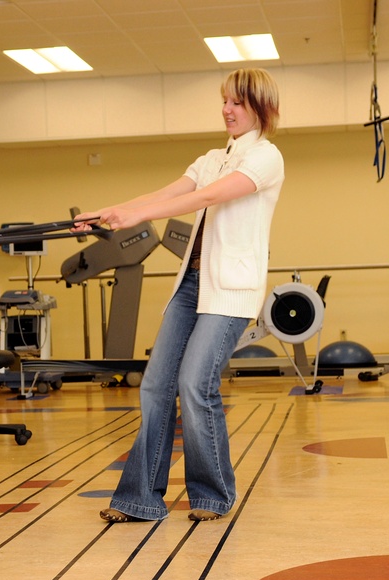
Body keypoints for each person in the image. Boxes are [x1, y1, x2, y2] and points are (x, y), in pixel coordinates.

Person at [75, 68, 284, 523]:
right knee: (154, 387)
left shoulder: (267, 158)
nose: (226, 109)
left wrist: (136, 216)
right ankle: (139, 498)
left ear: (260, 107)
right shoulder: (211, 157)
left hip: (229, 292)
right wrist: (111, 212)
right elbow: (168, 192)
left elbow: (202, 200)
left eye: (237, 102)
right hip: (191, 285)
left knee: (194, 384)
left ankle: (211, 494)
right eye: (224, 101)